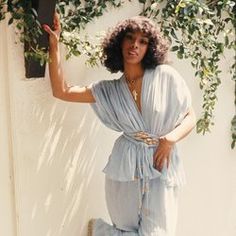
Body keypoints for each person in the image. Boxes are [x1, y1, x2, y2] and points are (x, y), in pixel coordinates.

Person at [43, 13, 196, 236]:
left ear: (149, 48)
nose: (135, 45)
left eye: (143, 41)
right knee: (125, 229)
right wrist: (54, 45)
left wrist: (170, 139)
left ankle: (100, 232)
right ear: (119, 42)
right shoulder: (109, 90)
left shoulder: (166, 77)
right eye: (130, 38)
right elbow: (62, 91)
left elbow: (191, 116)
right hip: (125, 167)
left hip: (160, 164)